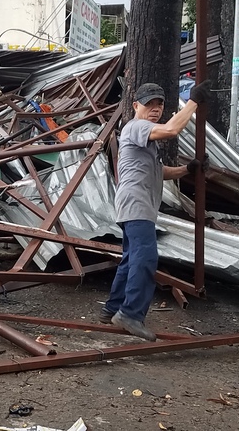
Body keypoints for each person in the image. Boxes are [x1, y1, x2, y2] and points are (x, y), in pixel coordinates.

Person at [99, 81, 212, 341]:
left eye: (159, 104)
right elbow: (172, 129)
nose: (155, 109)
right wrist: (193, 101)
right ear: (136, 105)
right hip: (136, 204)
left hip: (135, 205)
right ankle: (130, 314)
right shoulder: (137, 126)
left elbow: (160, 172)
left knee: (131, 259)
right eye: (149, 104)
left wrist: (188, 169)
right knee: (146, 258)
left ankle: (112, 308)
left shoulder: (144, 139)